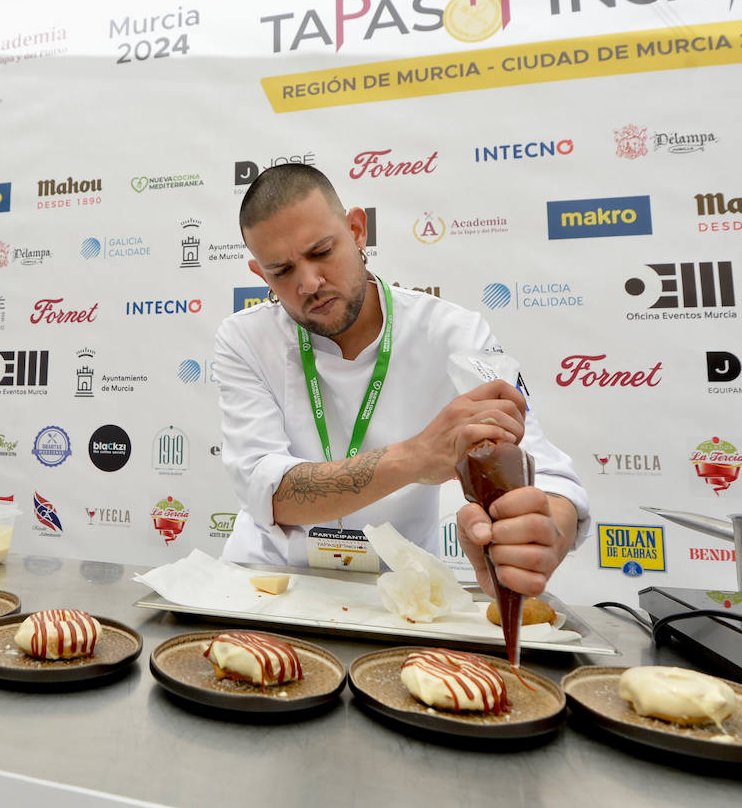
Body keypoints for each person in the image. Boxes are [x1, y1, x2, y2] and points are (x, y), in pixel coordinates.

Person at [214, 164, 588, 597]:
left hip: (402, 594)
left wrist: (541, 536)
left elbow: (549, 480)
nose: (310, 283)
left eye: (321, 252)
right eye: (282, 271)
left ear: (357, 230)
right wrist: (415, 456)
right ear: (261, 275)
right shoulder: (244, 339)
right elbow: (271, 494)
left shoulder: (456, 335)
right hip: (268, 584)